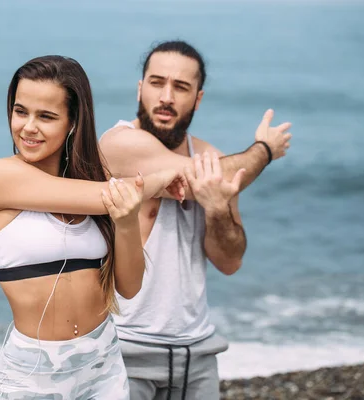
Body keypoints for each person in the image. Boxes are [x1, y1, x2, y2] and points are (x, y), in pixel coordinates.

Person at [0, 55, 190, 399]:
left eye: (46, 116)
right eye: (20, 111)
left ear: (73, 121)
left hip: (103, 364)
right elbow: (113, 193)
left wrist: (125, 221)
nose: (28, 127)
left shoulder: (93, 187)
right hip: (32, 374)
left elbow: (130, 287)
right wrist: (162, 177)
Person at [99, 40, 293, 400]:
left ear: (198, 99)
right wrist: (264, 151)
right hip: (124, 349)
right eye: (157, 83)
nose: (167, 96)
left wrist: (218, 210)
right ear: (140, 88)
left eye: (181, 87)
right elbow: (189, 180)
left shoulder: (211, 158)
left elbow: (230, 261)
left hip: (196, 354)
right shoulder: (118, 144)